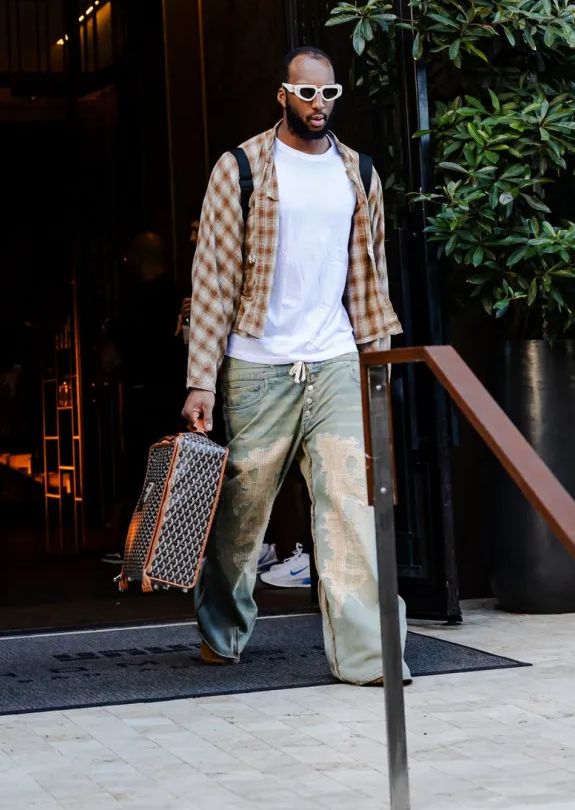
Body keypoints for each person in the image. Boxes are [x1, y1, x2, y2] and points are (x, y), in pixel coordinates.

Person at [182, 46, 410, 686]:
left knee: (349, 507)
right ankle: (221, 628)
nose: (318, 104)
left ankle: (370, 656)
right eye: (306, 92)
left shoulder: (359, 172)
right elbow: (212, 281)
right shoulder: (240, 168)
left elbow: (370, 277)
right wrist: (201, 380)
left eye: (328, 93)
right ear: (282, 95)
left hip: (335, 357)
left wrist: (376, 362)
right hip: (258, 365)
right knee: (242, 512)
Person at [103, 233, 187, 535]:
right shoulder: (178, 294)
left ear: (136, 259)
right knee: (167, 469)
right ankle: (161, 539)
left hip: (147, 395)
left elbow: (113, 352)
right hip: (174, 394)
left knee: (143, 468)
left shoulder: (135, 301)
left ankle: (139, 541)